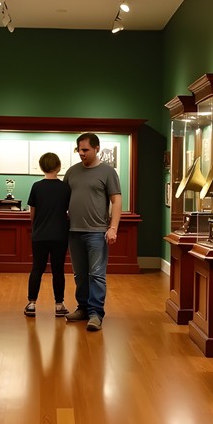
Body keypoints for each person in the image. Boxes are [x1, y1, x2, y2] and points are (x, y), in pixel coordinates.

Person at [64, 133, 121, 331]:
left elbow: (116, 201)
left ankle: (96, 313)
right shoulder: (71, 172)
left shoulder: (108, 172)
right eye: (78, 150)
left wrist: (113, 227)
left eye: (85, 150)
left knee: (96, 274)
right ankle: (83, 308)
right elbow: (63, 200)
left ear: (97, 148)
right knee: (79, 275)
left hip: (97, 232)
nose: (81, 153)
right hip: (74, 231)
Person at [25, 152, 71, 317]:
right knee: (58, 270)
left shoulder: (37, 186)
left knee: (37, 268)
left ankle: (31, 304)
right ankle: (59, 305)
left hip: (40, 235)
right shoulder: (65, 187)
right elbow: (69, 211)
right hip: (60, 235)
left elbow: (32, 214)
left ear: (41, 167)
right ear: (59, 167)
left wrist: (37, 226)